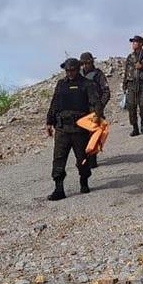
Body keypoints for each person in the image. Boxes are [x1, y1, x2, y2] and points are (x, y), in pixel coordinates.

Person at [46, 58, 103, 201]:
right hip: (62, 129)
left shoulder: (87, 84)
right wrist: (49, 122)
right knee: (58, 160)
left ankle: (84, 182)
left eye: (72, 70)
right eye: (67, 70)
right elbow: (54, 104)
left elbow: (96, 103)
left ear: (78, 69)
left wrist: (96, 118)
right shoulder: (61, 85)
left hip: (80, 130)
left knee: (82, 160)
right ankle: (59, 189)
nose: (69, 73)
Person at [80, 52, 110, 168]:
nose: (85, 65)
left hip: (94, 109)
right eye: (83, 63)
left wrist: (100, 106)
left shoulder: (98, 75)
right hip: (82, 109)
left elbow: (106, 92)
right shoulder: (79, 75)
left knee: (94, 134)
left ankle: (93, 158)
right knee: (82, 135)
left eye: (87, 63)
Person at [123, 35, 143, 136]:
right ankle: (135, 127)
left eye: (135, 42)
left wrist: (142, 67)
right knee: (131, 107)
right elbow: (126, 71)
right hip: (131, 84)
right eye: (132, 42)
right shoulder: (130, 57)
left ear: (141, 43)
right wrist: (124, 84)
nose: (133, 44)